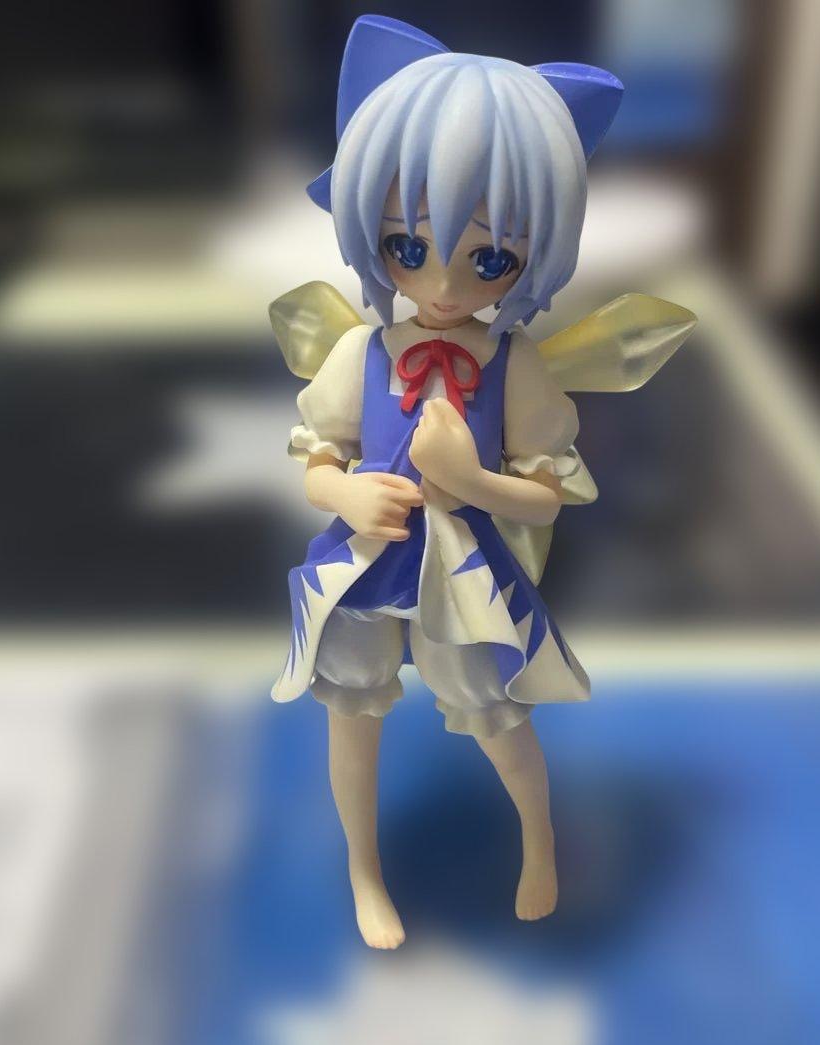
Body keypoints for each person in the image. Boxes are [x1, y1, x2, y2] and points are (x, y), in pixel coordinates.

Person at [272, 15, 624, 949]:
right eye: (407, 245)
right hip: (363, 567)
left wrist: (470, 480)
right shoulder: (361, 351)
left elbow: (548, 493)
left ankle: (539, 842)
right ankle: (364, 870)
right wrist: (345, 494)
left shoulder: (516, 366)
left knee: (499, 718)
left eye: (490, 259)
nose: (442, 286)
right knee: (352, 721)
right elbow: (316, 458)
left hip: (465, 575)